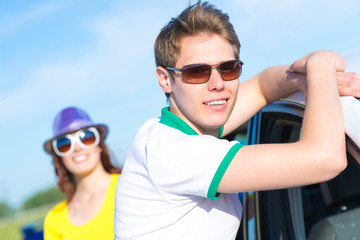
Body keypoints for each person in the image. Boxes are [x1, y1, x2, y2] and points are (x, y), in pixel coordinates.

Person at [114, 1, 360, 239]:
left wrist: (311, 81)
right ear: (165, 79)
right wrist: (319, 67)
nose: (217, 84)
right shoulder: (174, 153)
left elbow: (264, 87)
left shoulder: (166, 131)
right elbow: (325, 159)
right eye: (197, 72)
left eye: (228, 68)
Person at [43, 106, 121, 240]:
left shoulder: (131, 186)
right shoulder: (54, 219)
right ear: (59, 157)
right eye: (65, 143)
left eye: (86, 137)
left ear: (99, 145)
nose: (77, 147)